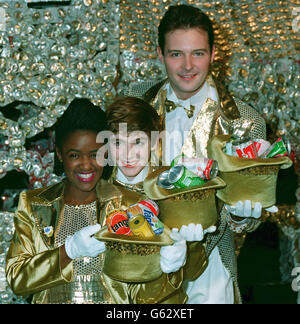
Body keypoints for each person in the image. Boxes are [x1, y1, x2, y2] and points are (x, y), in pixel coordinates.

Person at [126, 4, 277, 304]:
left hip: (210, 269)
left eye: (197, 53)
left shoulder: (245, 121)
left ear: (212, 53)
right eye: (176, 54)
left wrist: (240, 216)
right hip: (144, 262)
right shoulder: (134, 102)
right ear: (160, 54)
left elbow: (251, 215)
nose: (187, 66)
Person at [5, 98, 119, 304]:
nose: (86, 165)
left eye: (95, 154)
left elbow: (143, 288)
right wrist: (68, 251)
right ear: (59, 154)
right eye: (75, 155)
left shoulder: (126, 204)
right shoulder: (34, 204)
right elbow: (18, 279)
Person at [103, 95, 187, 303]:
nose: (128, 154)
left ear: (154, 142)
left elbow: (195, 267)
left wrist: (187, 250)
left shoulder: (172, 188)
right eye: (118, 143)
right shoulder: (96, 194)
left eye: (137, 142)